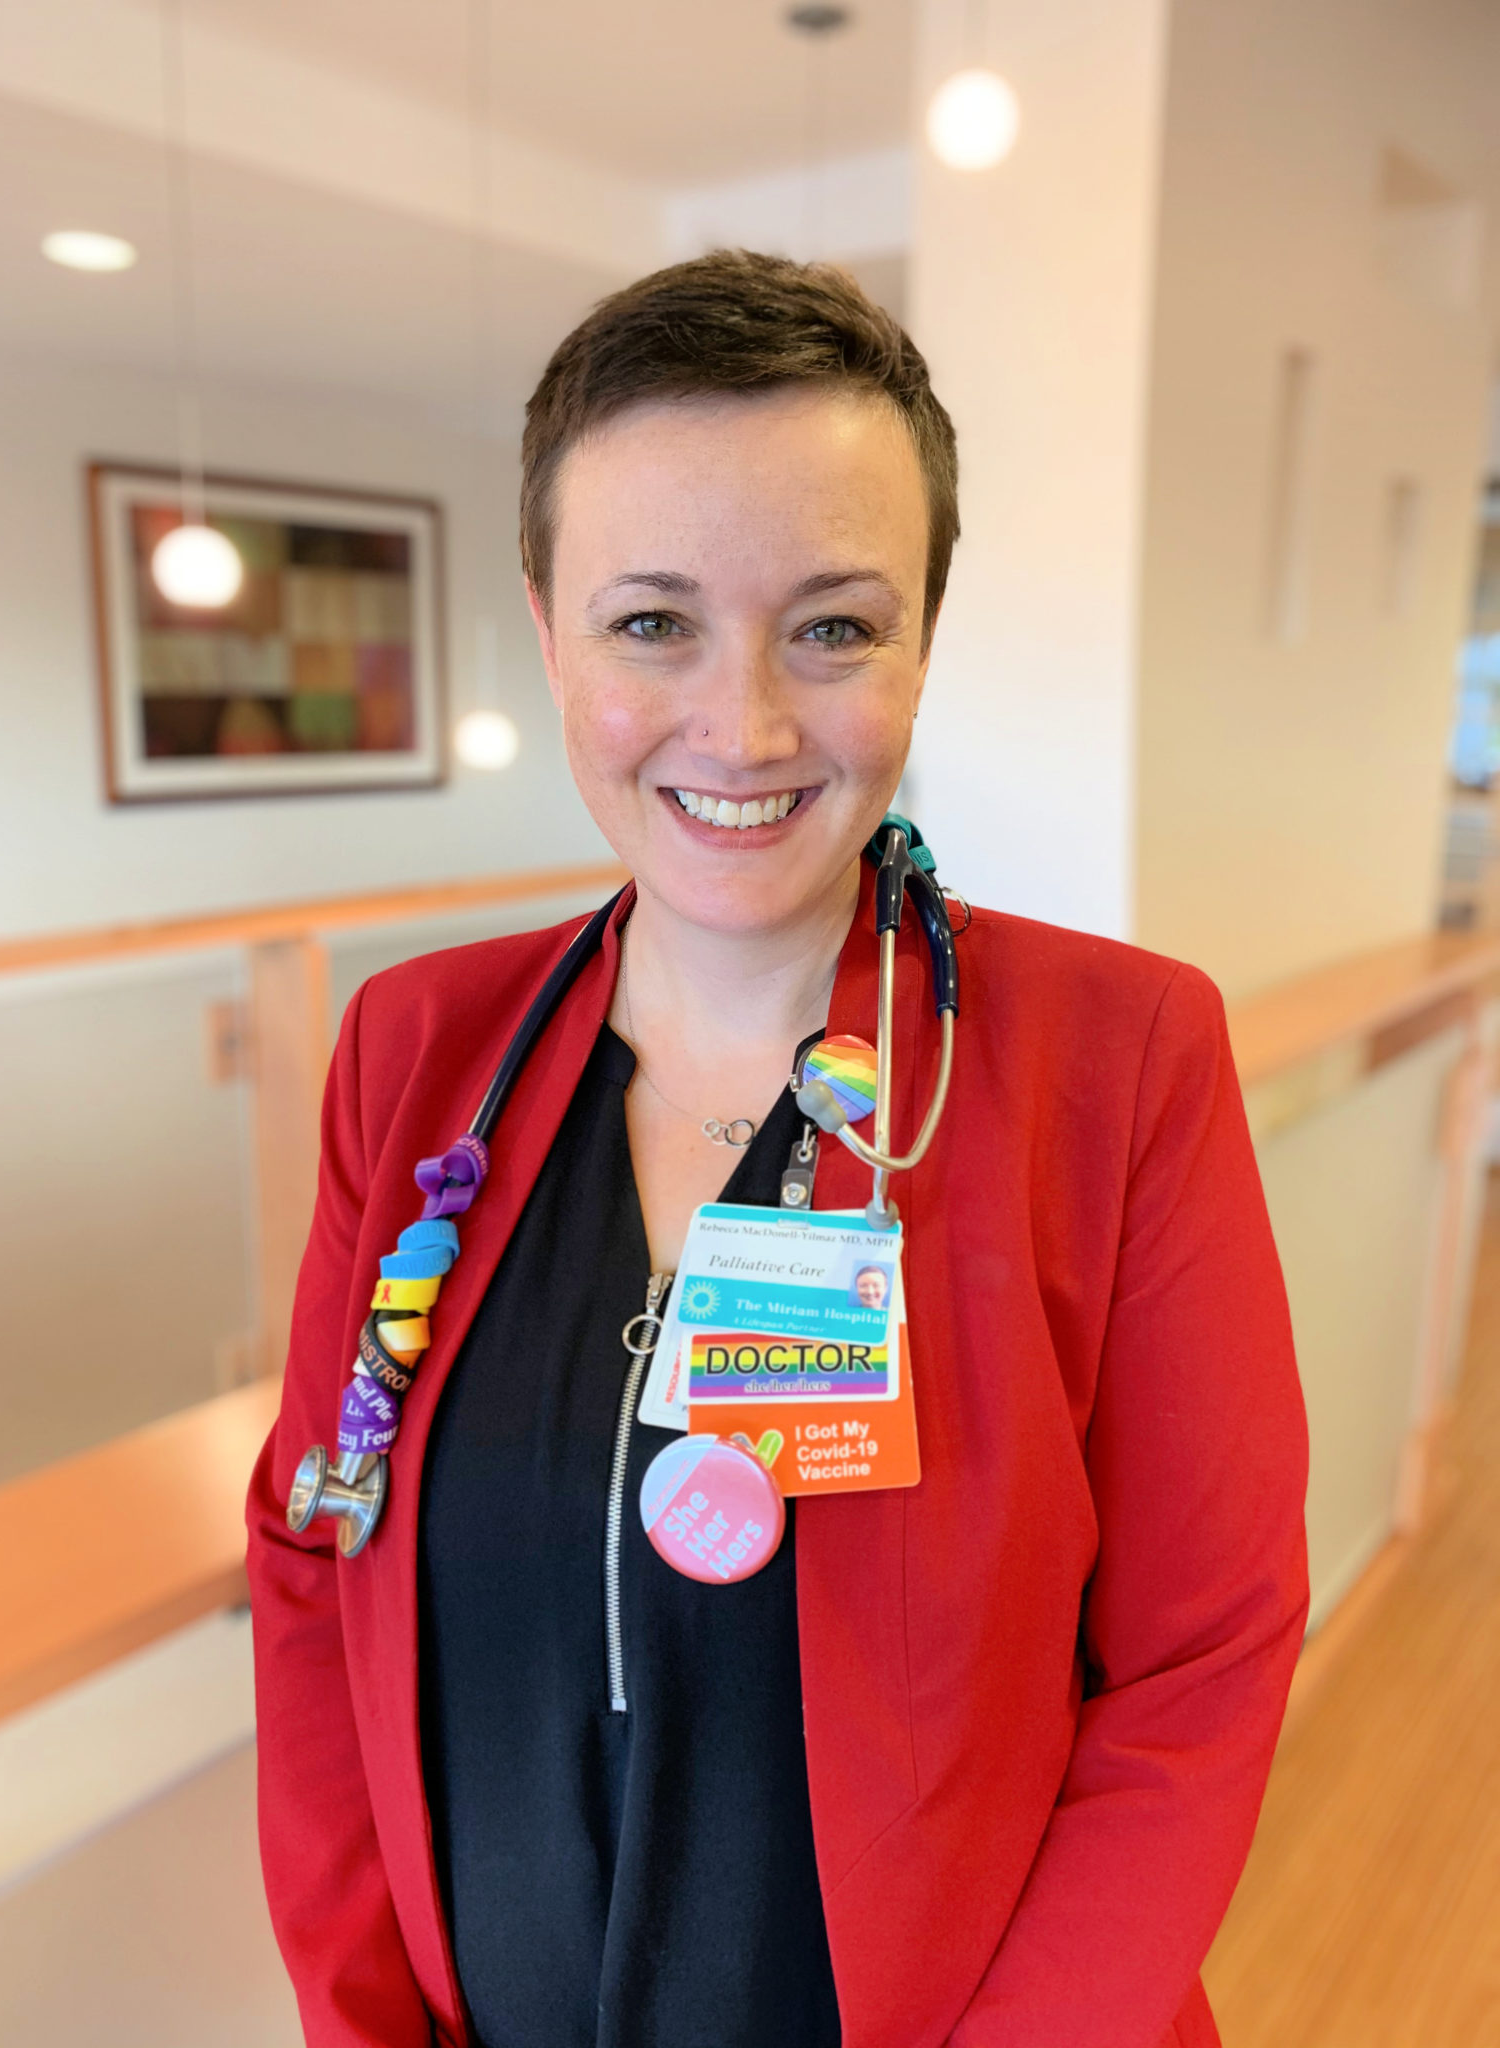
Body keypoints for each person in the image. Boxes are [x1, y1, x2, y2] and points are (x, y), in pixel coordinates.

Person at [247, 251, 1308, 2048]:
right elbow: (311, 1558)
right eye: (652, 622)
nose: (741, 729)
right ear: (545, 628)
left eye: (832, 625)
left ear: (921, 641)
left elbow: (1197, 1668)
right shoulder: (415, 1058)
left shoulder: (1116, 1064)